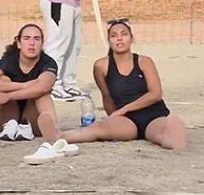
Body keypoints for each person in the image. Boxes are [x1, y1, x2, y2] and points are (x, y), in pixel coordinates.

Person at [59, 19, 186, 150]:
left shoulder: (144, 61)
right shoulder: (101, 66)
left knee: (161, 135)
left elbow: (156, 94)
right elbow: (107, 96)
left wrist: (124, 109)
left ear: (132, 38)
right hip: (127, 120)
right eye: (114, 36)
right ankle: (58, 136)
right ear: (109, 41)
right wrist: (113, 119)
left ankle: (175, 140)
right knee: (98, 129)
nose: (119, 39)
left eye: (124, 34)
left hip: (153, 115)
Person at [0, 23, 61, 143]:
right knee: (2, 81)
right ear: (19, 43)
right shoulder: (9, 60)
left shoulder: (48, 63)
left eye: (37, 39)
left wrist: (8, 96)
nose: (32, 43)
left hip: (32, 115)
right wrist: (22, 85)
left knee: (43, 93)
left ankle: (51, 127)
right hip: (7, 115)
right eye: (27, 38)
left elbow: (43, 87)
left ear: (42, 43)